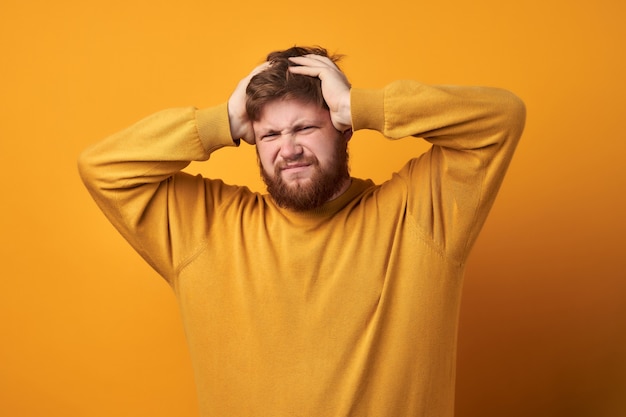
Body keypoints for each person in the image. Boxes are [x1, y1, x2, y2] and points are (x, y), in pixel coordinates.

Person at [78, 46, 526, 417]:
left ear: (344, 130)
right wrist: (222, 122)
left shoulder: (420, 215)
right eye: (270, 134)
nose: (288, 149)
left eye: (305, 128)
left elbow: (501, 118)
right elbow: (102, 168)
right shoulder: (207, 228)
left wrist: (362, 106)